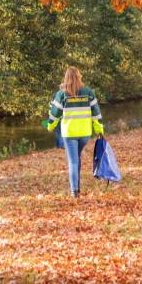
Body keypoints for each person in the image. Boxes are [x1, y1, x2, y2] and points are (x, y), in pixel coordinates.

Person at [45, 67, 104, 198]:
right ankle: (77, 187)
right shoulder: (88, 92)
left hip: (69, 133)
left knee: (73, 161)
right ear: (79, 76)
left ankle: (74, 191)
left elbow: (54, 114)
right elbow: (96, 113)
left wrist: (50, 126)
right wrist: (99, 130)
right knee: (76, 158)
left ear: (66, 77)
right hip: (84, 133)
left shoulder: (62, 94)